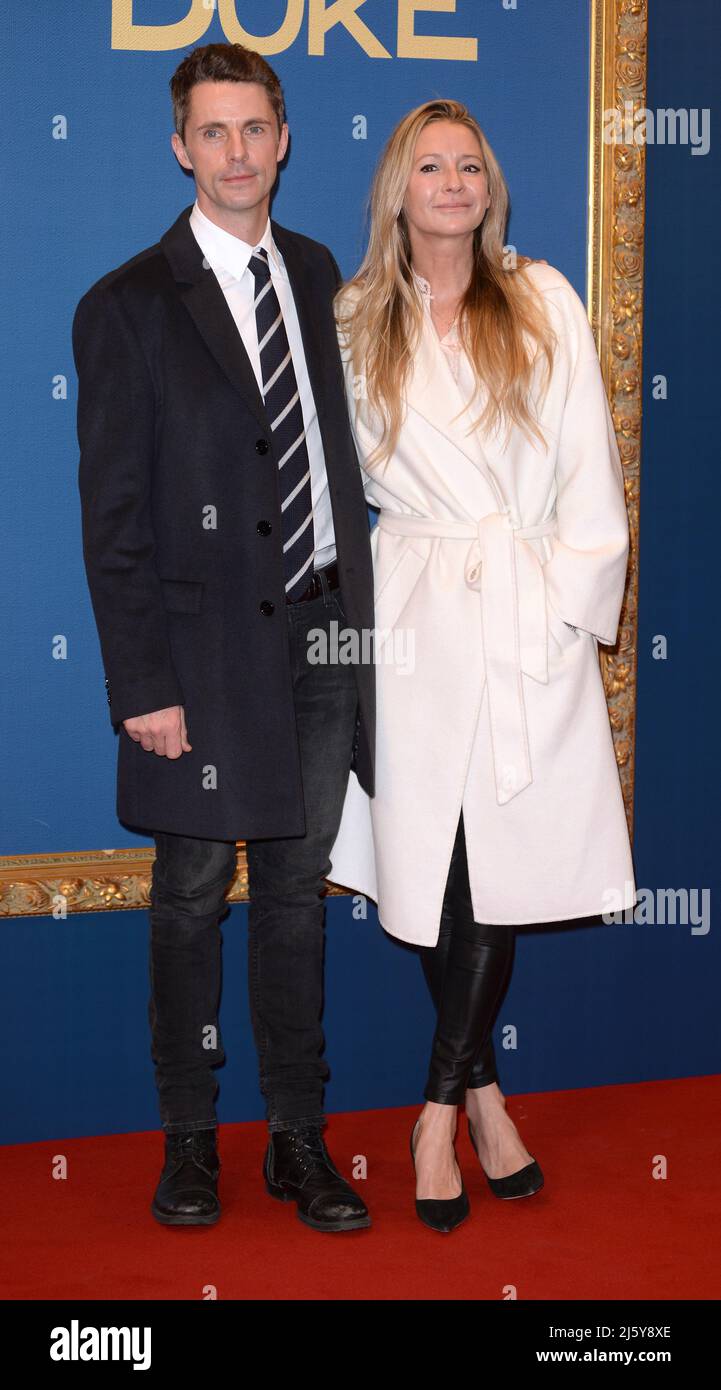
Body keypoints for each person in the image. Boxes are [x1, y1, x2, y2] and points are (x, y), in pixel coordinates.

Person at [72, 42, 376, 1234]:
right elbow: (115, 519)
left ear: (284, 138)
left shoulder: (317, 272)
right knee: (191, 894)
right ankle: (189, 1138)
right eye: (213, 132)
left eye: (255, 129)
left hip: (319, 644)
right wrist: (141, 680)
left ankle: (297, 1136)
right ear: (179, 146)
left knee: (297, 895)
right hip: (193, 668)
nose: (237, 152)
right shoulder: (126, 304)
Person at [327, 99, 637, 1232]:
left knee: (493, 866)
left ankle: (430, 1111)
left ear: (487, 186)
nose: (451, 181)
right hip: (410, 620)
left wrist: (565, 612)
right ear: (397, 191)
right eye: (429, 165)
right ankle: (483, 1097)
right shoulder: (355, 318)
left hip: (519, 617)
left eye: (469, 165)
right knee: (439, 866)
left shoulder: (542, 297)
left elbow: (588, 478)